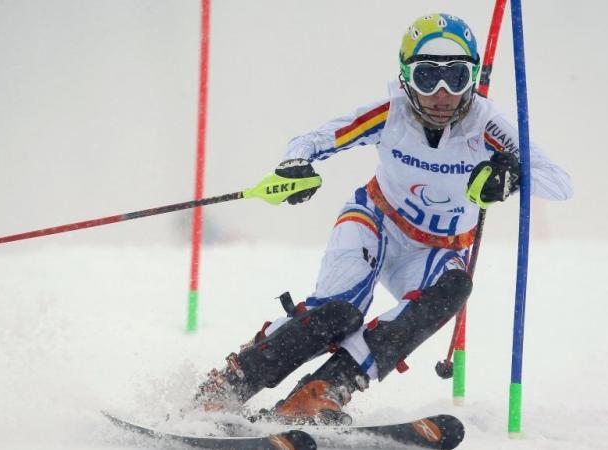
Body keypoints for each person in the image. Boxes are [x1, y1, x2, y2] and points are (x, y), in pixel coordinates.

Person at [193, 13, 573, 425]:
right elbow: (312, 140)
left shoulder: (486, 123)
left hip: (434, 249)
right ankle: (229, 386)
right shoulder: (391, 113)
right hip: (375, 223)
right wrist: (296, 165)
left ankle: (318, 393)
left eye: (457, 77)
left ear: (473, 76)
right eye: (427, 77)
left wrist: (512, 175)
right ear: (406, 76)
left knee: (455, 288)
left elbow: (559, 183)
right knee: (339, 313)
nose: (442, 94)